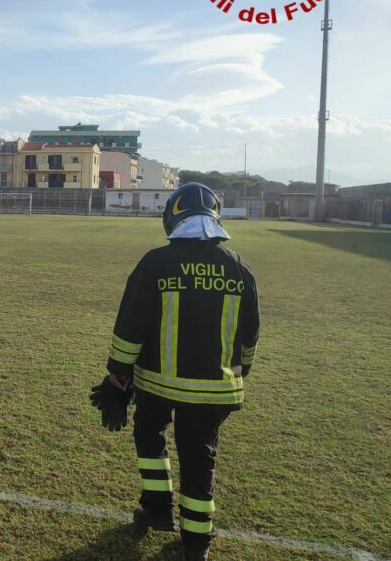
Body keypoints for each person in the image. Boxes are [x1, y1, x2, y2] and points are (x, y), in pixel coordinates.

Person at [102, 183, 260, 561]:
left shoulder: (156, 262)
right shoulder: (239, 267)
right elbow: (250, 333)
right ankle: (196, 544)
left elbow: (131, 325)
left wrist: (117, 375)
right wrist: (243, 370)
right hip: (215, 389)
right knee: (199, 457)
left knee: (149, 434)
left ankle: (156, 509)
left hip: (156, 384)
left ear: (172, 217)